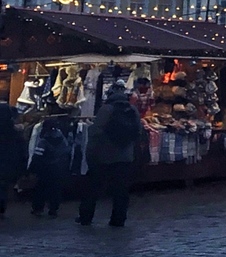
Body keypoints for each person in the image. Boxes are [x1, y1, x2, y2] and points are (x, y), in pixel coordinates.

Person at [78, 82, 143, 227]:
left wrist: (91, 153)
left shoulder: (106, 109)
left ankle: (85, 217)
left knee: (92, 189)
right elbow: (138, 132)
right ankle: (118, 219)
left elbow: (95, 133)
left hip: (104, 156)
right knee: (121, 191)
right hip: (125, 156)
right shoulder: (132, 110)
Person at [29, 117, 73, 217]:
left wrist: (32, 168)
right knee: (55, 189)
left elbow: (38, 155)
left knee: (40, 188)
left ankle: (38, 208)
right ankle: (53, 209)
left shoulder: (44, 139)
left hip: (44, 168)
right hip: (57, 167)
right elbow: (67, 150)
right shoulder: (61, 138)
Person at [0, 101, 26, 219]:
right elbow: (21, 149)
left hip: (7, 162)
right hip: (8, 163)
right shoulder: (14, 131)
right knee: (3, 186)